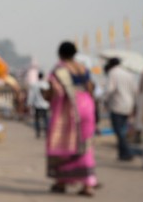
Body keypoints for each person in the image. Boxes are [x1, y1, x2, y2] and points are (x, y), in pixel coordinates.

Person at [46, 41, 97, 197]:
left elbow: (54, 91)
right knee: (85, 145)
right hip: (87, 106)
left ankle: (62, 182)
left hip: (68, 108)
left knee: (63, 144)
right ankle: (88, 185)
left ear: (60, 54)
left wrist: (48, 99)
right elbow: (90, 88)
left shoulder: (59, 69)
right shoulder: (82, 68)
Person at [104, 58, 137, 161]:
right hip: (128, 105)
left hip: (117, 105)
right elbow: (135, 90)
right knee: (122, 130)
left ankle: (127, 152)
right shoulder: (128, 74)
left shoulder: (113, 73)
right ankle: (122, 153)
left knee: (118, 131)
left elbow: (109, 89)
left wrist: (105, 100)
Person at [27, 72, 50, 138]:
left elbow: (31, 95)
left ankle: (38, 132)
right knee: (45, 118)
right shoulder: (46, 84)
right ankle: (46, 132)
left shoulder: (35, 85)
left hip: (37, 105)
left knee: (37, 119)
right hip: (45, 104)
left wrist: (29, 103)